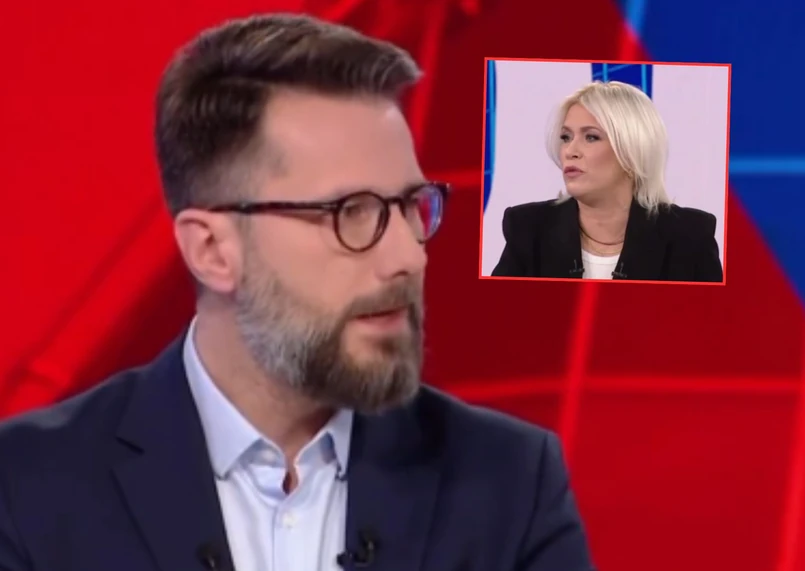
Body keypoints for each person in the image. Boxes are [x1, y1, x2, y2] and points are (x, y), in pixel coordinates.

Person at [0, 13, 595, 571]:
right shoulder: (27, 488)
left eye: (412, 206)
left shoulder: (512, 485)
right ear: (212, 251)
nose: (408, 257)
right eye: (351, 212)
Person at [491, 80, 724, 282]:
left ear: (632, 150)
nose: (570, 151)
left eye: (591, 137)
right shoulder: (528, 229)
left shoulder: (689, 236)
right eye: (566, 137)